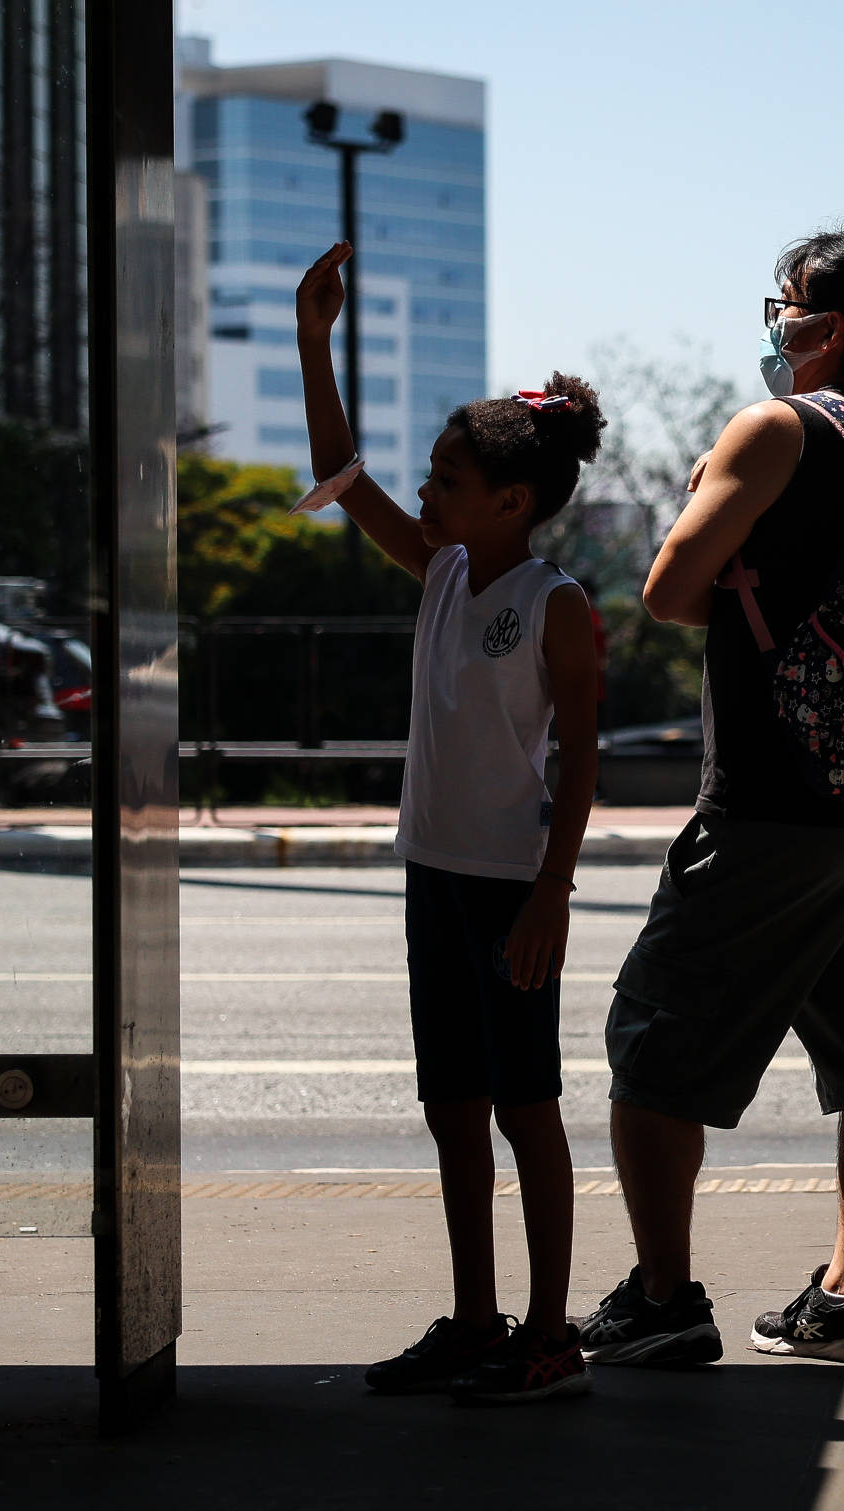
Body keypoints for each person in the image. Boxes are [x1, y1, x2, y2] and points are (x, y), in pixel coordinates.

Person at [579, 224, 844, 1370]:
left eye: (784, 304)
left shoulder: (776, 428)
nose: (773, 322)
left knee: (656, 1043)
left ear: (824, 330)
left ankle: (663, 1294)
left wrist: (717, 501)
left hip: (770, 802)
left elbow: (670, 592)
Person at [293, 241, 604, 1405]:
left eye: (445, 477)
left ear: (511, 501)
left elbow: (577, 762)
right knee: (454, 1109)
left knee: (529, 1109)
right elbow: (337, 472)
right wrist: (314, 342)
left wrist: (550, 894)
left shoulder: (553, 603)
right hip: (433, 874)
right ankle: (477, 1320)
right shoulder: (438, 569)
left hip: (506, 891)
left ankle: (548, 1331)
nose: (423, 491)